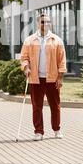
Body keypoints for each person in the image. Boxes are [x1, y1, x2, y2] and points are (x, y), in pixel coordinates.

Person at [20, 13, 67, 141]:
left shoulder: (56, 40)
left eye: (47, 22)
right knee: (37, 106)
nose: (45, 24)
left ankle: (57, 129)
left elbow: (62, 60)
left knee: (55, 105)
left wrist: (60, 77)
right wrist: (26, 68)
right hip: (36, 78)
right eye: (42, 22)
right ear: (37, 23)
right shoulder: (30, 40)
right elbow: (24, 58)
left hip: (52, 78)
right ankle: (38, 132)